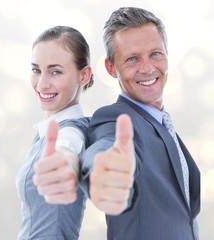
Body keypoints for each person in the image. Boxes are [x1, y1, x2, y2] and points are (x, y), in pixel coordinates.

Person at [80, 7, 201, 240]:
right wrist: (105, 172)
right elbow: (105, 147)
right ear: (110, 67)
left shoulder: (163, 124)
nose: (147, 68)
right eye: (132, 59)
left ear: (167, 53)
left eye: (155, 54)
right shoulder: (116, 119)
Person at [15, 26, 94, 240]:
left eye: (55, 71)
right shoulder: (47, 130)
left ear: (84, 75)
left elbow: (67, 147)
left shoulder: (70, 131)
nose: (41, 84)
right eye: (36, 70)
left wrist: (62, 160)